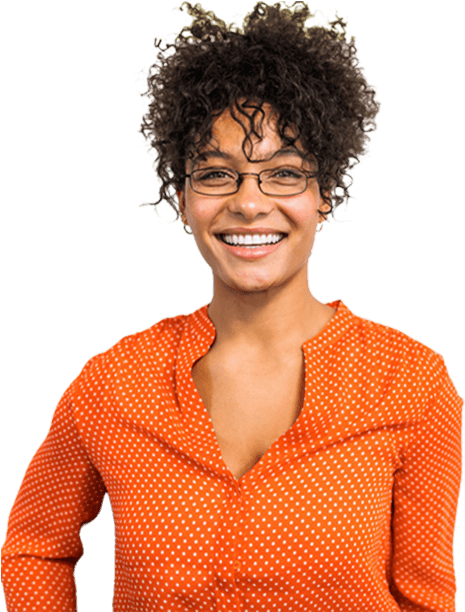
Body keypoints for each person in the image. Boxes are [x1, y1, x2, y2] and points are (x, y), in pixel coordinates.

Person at [2, 3, 462, 611]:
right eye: (217, 174)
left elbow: (426, 598)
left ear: (325, 192)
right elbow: (36, 546)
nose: (249, 204)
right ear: (183, 194)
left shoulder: (412, 383)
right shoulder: (113, 385)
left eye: (283, 173)